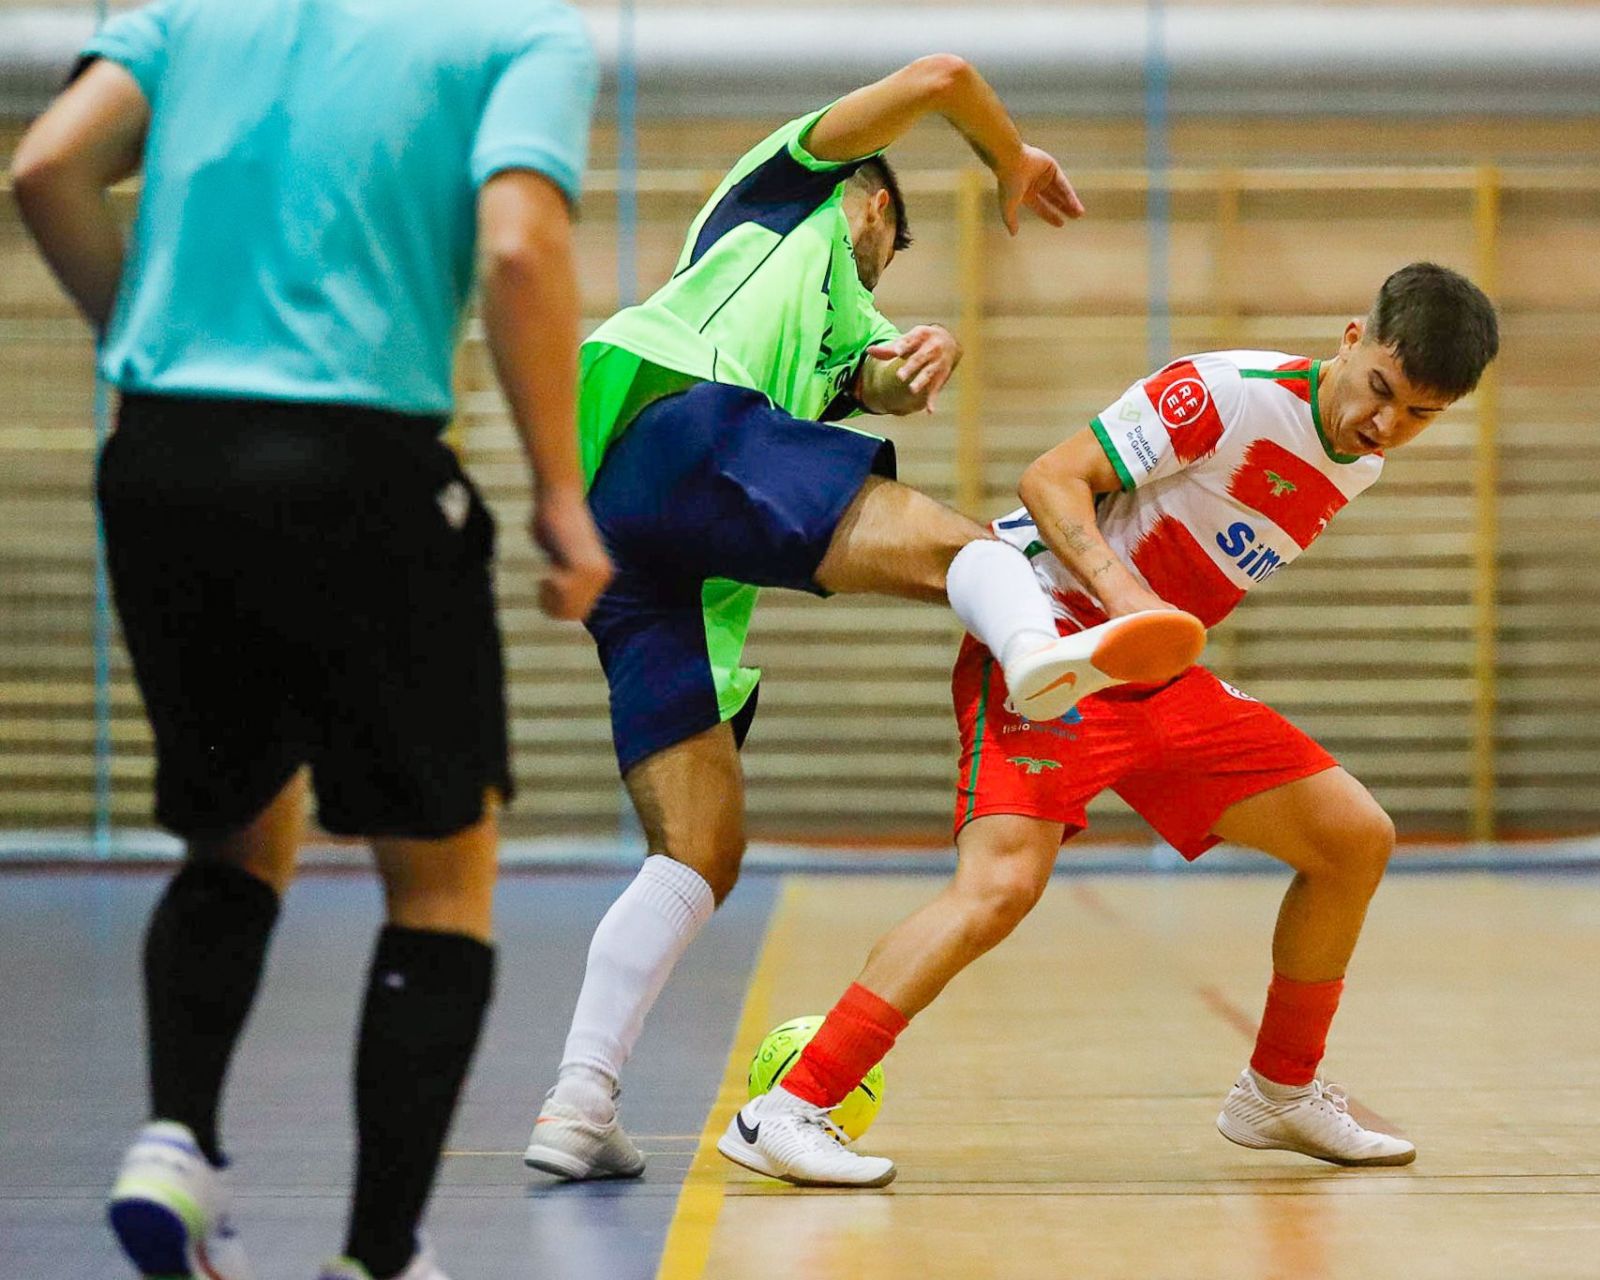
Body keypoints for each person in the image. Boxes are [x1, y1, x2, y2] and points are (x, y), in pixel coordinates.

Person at [523, 55, 1205, 1182]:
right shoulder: (784, 190)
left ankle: (576, 1104)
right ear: (875, 204)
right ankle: (1039, 653)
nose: (885, 269)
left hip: (636, 531)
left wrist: (915, 360)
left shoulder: (829, 334)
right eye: (891, 251)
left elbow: (873, 381)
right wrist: (1009, 155)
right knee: (973, 553)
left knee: (699, 850)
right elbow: (944, 73)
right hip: (677, 421)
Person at [8, 2, 610, 1276]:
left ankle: (175, 1139)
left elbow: (47, 165)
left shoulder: (192, 16)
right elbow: (516, 248)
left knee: (234, 822)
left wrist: (141, 336)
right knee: (442, 878)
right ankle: (378, 1254)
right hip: (361, 467)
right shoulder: (516, 37)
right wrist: (563, 491)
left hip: (164, 460)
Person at [718, 263, 1500, 1187]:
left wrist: (1152, 640)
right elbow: (1051, 481)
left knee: (1353, 839)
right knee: (1000, 887)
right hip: (1048, 649)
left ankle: (1279, 1093)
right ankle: (788, 1109)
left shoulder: (1359, 461)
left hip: (1159, 681)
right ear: (1349, 338)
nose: (1386, 426)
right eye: (1382, 391)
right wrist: (1128, 603)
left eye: (1420, 416)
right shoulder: (1223, 395)